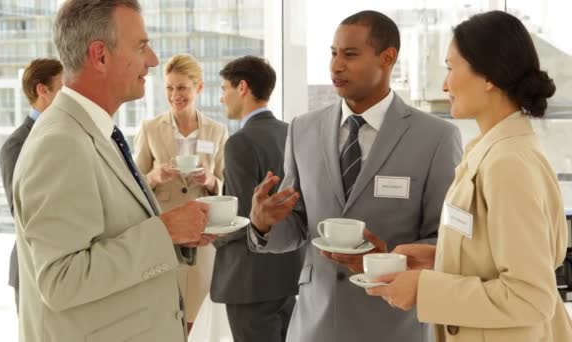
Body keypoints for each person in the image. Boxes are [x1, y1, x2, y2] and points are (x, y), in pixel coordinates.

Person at [247, 10, 462, 342]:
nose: (335, 66)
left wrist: (386, 259)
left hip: (394, 325)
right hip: (313, 324)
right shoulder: (303, 129)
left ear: (387, 58)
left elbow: (447, 243)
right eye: (333, 53)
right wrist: (264, 223)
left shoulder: (436, 137)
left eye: (349, 55)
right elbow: (297, 227)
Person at [366, 10, 572, 342]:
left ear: (489, 76)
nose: (444, 84)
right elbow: (498, 255)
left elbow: (531, 297)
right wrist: (443, 259)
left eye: (450, 68)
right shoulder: (491, 151)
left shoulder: (508, 165)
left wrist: (426, 289)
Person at [12, 1, 208, 341]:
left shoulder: (94, 132)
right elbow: (62, 279)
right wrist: (165, 232)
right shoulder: (61, 142)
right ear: (100, 56)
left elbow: (115, 235)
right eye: (142, 46)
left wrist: (178, 235)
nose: (153, 60)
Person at [211, 55, 304, 342]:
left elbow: (240, 216)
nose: (221, 97)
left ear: (242, 87)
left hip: (249, 279)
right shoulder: (292, 133)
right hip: (289, 274)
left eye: (224, 88)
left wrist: (211, 233)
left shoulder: (240, 142)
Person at [134, 53, 227, 330]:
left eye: (182, 87)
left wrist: (211, 180)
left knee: (197, 314)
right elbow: (134, 182)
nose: (175, 95)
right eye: (170, 88)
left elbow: (226, 185)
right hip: (165, 230)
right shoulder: (150, 128)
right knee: (164, 310)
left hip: (203, 234)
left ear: (198, 88)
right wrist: (155, 174)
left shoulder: (217, 131)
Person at [0, 57, 63, 313]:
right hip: (32, 270)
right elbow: (22, 212)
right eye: (63, 88)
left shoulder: (65, 134)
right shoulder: (16, 145)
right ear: (42, 90)